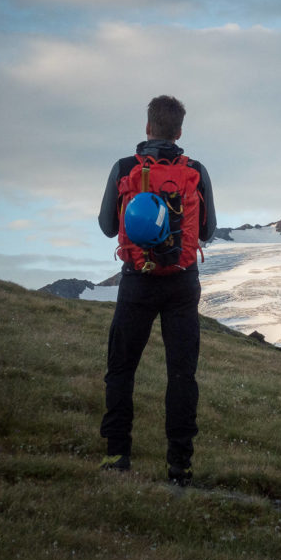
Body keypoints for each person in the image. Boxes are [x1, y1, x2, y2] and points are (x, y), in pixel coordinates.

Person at [97, 95, 216, 486]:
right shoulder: (196, 170)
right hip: (181, 283)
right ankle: (180, 466)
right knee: (182, 375)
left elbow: (107, 227)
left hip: (136, 279)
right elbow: (208, 232)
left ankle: (117, 455)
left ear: (147, 127)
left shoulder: (124, 168)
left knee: (121, 368)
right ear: (179, 132)